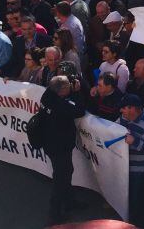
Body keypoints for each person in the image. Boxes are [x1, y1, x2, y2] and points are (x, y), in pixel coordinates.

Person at [39, 75, 86, 224]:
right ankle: (54, 215)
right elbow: (79, 111)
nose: (70, 87)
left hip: (50, 143)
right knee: (60, 179)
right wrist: (77, 92)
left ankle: (69, 201)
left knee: (67, 172)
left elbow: (58, 90)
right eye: (67, 87)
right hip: (60, 147)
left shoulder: (47, 95)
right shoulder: (61, 106)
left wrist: (68, 89)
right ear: (62, 91)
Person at [119, 94, 144, 226]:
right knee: (132, 198)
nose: (121, 111)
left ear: (133, 109)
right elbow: (115, 128)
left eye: (124, 108)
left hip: (141, 170)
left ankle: (138, 224)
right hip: (128, 166)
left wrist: (134, 141)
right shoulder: (124, 117)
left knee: (138, 199)